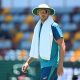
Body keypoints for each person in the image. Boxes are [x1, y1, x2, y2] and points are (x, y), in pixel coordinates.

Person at [22, 4, 65, 80]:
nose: (43, 13)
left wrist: (60, 64)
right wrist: (27, 62)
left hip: (52, 64)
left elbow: (62, 45)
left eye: (45, 11)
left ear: (48, 13)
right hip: (44, 65)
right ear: (38, 13)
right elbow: (36, 49)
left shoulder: (53, 26)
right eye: (41, 11)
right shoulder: (38, 28)